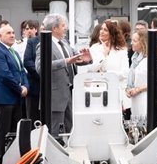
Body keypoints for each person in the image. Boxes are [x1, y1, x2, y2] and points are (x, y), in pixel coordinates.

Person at [35, 13, 90, 141]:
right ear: (54, 28)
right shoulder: (44, 44)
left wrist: (86, 59)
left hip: (69, 94)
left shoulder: (64, 43)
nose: (65, 28)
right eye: (63, 25)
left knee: (70, 130)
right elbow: (40, 68)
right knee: (54, 134)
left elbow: (74, 58)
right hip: (55, 97)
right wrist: (66, 61)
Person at [0, 23, 29, 164]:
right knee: (3, 133)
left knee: (14, 132)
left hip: (16, 99)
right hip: (4, 99)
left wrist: (26, 86)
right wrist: (19, 89)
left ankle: (12, 162)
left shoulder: (14, 52)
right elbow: (5, 75)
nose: (12, 35)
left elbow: (22, 71)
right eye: (8, 33)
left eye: (13, 32)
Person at [85, 19, 130, 111]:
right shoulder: (95, 48)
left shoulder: (121, 49)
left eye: (105, 30)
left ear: (112, 33)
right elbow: (91, 69)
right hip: (98, 90)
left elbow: (125, 73)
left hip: (116, 90)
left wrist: (108, 73)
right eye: (101, 29)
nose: (101, 32)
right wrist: (104, 55)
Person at [126, 29, 157, 119]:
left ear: (143, 43)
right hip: (135, 101)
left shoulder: (152, 60)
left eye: (135, 41)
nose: (131, 43)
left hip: (146, 101)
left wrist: (139, 89)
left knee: (146, 127)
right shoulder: (135, 59)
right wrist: (128, 89)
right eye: (132, 40)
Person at [23, 21, 41, 123]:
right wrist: (41, 74)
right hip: (32, 82)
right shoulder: (28, 43)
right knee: (32, 116)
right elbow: (27, 61)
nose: (29, 30)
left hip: (48, 87)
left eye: (31, 28)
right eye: (27, 28)